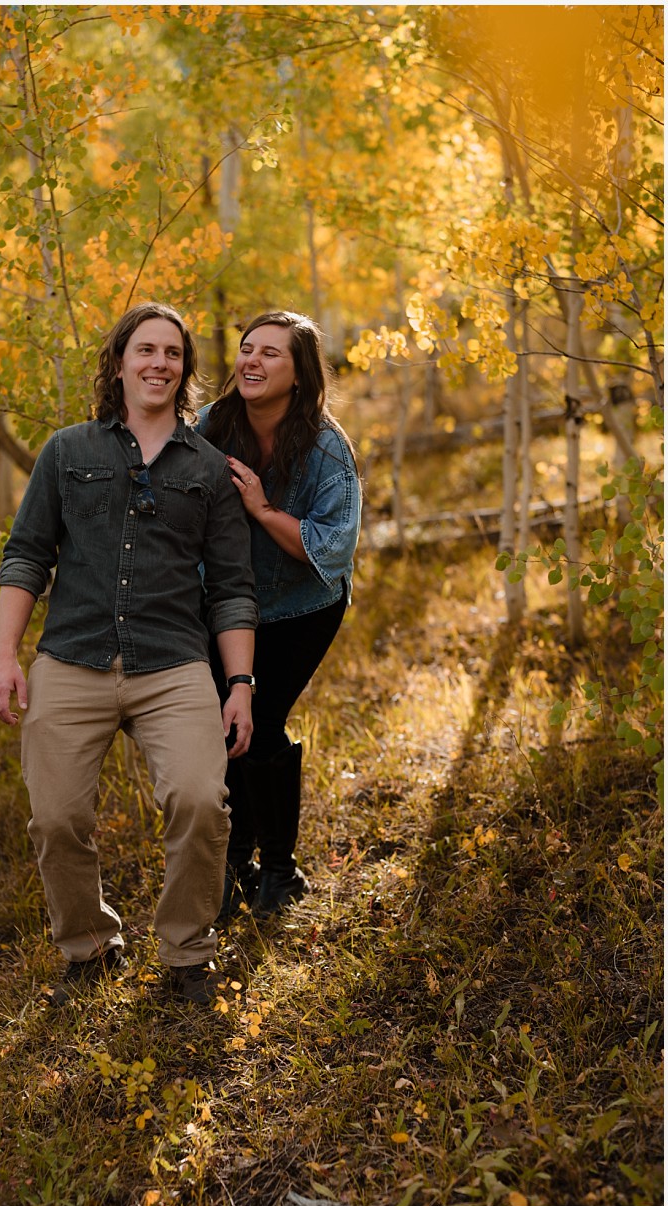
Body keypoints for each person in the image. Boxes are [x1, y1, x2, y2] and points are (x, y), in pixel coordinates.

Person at [0, 302, 258, 1008]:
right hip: (72, 657)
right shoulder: (67, 451)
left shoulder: (208, 469)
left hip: (173, 664)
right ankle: (89, 948)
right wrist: (4, 657)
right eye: (146, 349)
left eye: (173, 352)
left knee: (201, 799)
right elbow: (25, 556)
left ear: (185, 370)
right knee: (55, 819)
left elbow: (232, 588)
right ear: (118, 361)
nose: (159, 363)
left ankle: (187, 952)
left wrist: (240, 683)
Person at [197, 310, 361, 921]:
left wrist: (263, 511)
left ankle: (280, 870)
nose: (253, 361)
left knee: (260, 717)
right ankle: (237, 863)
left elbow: (332, 546)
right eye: (246, 349)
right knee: (226, 723)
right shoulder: (214, 426)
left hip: (304, 604)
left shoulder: (324, 446)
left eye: (271, 353)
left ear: (300, 374)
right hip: (230, 603)